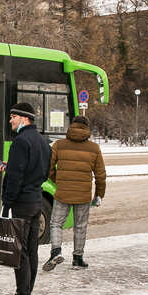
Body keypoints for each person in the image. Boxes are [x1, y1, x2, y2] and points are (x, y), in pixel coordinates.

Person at [0, 102, 52, 295]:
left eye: (13, 116)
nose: (10, 120)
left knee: (20, 252)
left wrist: (7, 204)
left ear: (24, 119)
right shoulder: (43, 142)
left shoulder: (20, 141)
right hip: (36, 200)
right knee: (32, 250)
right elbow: (44, 173)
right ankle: (27, 292)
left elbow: (16, 177)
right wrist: (11, 170)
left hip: (22, 203)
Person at [43, 115, 106, 270]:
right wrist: (99, 194)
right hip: (83, 194)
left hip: (63, 193)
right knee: (80, 226)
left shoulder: (59, 145)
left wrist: (59, 181)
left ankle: (56, 251)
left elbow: (48, 168)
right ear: (87, 128)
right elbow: (100, 175)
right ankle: (78, 258)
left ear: (72, 126)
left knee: (56, 223)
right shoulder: (94, 148)